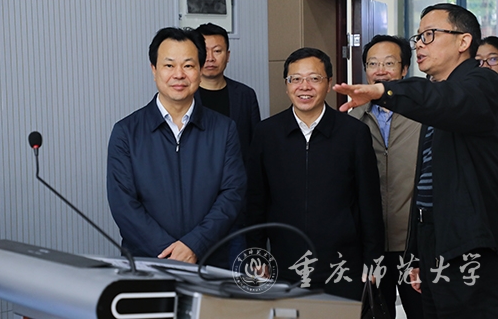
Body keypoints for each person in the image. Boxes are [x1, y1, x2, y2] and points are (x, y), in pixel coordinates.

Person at [334, 3, 498, 318]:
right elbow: (426, 189)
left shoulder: (482, 84)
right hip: (435, 250)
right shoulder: (437, 100)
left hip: (470, 251)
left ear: (463, 41)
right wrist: (418, 255)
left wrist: (383, 91)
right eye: (418, 37)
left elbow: (447, 101)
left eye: (429, 35)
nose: (420, 44)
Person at [245, 47, 384, 301]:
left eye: (314, 78)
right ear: (286, 85)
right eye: (295, 79)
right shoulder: (267, 133)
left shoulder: (353, 133)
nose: (304, 86)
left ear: (329, 83)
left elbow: (369, 200)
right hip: (284, 264)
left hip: (343, 265)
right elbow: (256, 200)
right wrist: (256, 252)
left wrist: (373, 257)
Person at [107, 27, 246, 269]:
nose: (179, 74)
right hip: (148, 264)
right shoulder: (126, 132)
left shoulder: (224, 130)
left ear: (200, 71)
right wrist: (169, 252)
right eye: (169, 65)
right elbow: (123, 205)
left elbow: (232, 194)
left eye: (188, 65)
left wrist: (194, 245)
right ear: (154, 70)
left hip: (210, 262)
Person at [349, 35, 424, 318]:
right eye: (373, 64)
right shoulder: (352, 119)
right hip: (370, 245)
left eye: (389, 63)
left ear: (404, 69)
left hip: (415, 243)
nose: (380, 70)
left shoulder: (425, 116)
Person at [195, 23, 261, 161]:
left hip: (237, 172)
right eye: (204, 51)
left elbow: (255, 145)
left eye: (217, 51)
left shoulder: (246, 95)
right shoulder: (184, 95)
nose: (210, 58)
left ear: (228, 55)